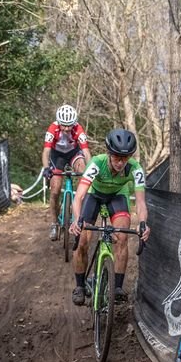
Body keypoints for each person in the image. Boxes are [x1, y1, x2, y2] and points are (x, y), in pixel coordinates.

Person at [69, 129, 151, 306]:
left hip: (117, 196)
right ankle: (80, 286)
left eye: (125, 157)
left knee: (122, 237)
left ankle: (118, 287)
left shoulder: (135, 169)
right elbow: (79, 197)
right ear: (108, 153)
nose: (121, 162)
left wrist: (143, 223)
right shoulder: (97, 163)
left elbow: (141, 203)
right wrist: (77, 219)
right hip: (94, 195)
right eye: (116, 157)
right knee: (83, 239)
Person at [42, 104, 91, 241]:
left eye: (69, 125)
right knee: (55, 190)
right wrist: (46, 168)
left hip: (73, 154)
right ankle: (54, 223)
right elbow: (46, 151)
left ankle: (80, 215)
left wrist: (90, 170)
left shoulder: (78, 129)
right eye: (64, 125)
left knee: (83, 170)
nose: (67, 128)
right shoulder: (53, 128)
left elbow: (86, 152)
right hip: (57, 157)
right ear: (59, 122)